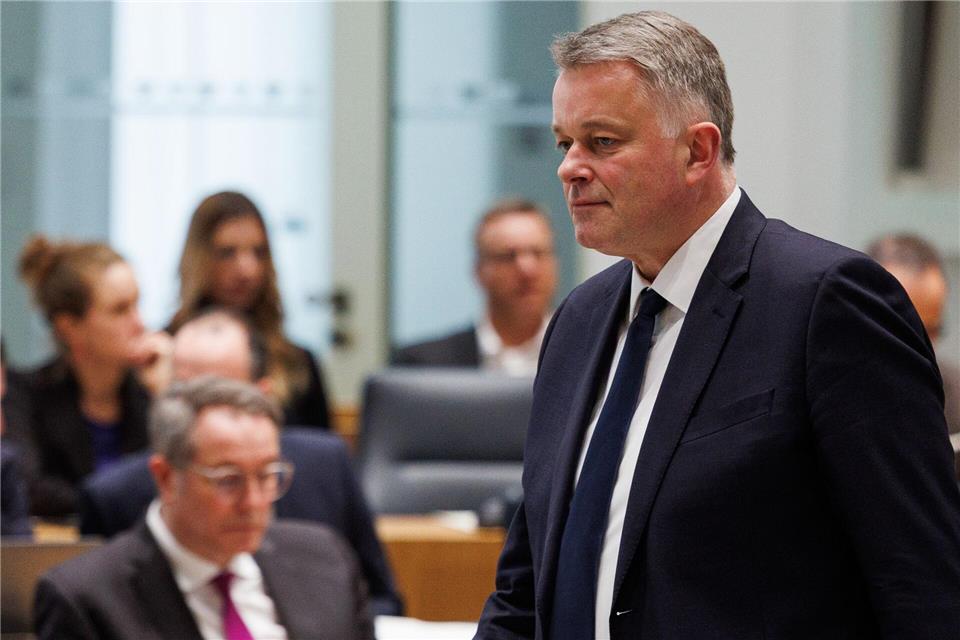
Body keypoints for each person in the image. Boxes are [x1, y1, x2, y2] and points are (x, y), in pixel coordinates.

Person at [476, 11, 960, 640]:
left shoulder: (827, 303)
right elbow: (526, 585)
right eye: (564, 143)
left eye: (602, 142)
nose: (570, 167)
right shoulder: (578, 320)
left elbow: (920, 584)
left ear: (698, 151)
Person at [35, 376, 373, 640]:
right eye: (228, 480)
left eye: (267, 475)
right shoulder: (85, 599)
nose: (254, 503)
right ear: (166, 478)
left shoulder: (325, 558)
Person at [165, 307, 403, 614]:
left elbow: (382, 599)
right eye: (183, 395)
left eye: (220, 397)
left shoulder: (326, 465)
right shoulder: (124, 493)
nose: (199, 415)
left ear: (262, 395)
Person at [6, 236, 170, 518]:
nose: (139, 323)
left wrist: (165, 395)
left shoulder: (151, 392)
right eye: (120, 310)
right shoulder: (24, 395)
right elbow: (27, 489)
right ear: (69, 328)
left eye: (137, 305)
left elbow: (179, 484)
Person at [169, 191, 331, 429]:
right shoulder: (166, 354)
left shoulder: (298, 363)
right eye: (227, 253)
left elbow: (319, 448)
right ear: (198, 259)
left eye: (259, 252)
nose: (247, 270)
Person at [393, 198, 558, 376]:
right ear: (479, 270)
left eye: (539, 253)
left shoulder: (579, 355)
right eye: (508, 256)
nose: (527, 270)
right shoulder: (421, 366)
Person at [867, 233, 960, 477]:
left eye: (932, 331)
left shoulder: (955, 395)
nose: (923, 347)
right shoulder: (823, 392)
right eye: (907, 330)